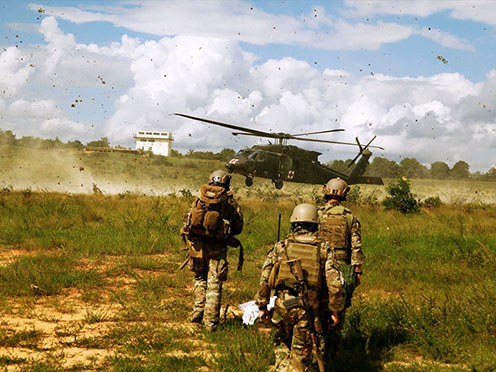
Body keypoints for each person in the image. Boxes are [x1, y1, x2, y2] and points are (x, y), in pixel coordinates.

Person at [255, 203, 344, 372]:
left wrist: (262, 305)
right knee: (302, 355)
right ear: (315, 224)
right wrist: (334, 310)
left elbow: (265, 277)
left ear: (294, 223)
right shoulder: (323, 248)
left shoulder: (281, 246)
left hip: (283, 307)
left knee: (282, 341)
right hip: (307, 309)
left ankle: (282, 367)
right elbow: (335, 284)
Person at [181, 169, 243, 331]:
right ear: (227, 182)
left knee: (200, 279)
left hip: (197, 247)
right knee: (214, 284)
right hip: (217, 247)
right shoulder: (229, 203)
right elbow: (238, 227)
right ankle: (211, 323)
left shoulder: (200, 199)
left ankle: (197, 314)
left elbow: (187, 220)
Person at [318, 177, 363, 362]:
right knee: (339, 308)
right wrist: (357, 271)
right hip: (342, 268)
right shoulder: (349, 217)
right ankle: (331, 353)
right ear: (344, 193)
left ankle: (318, 347)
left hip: (320, 267)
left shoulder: (316, 214)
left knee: (319, 305)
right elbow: (356, 246)